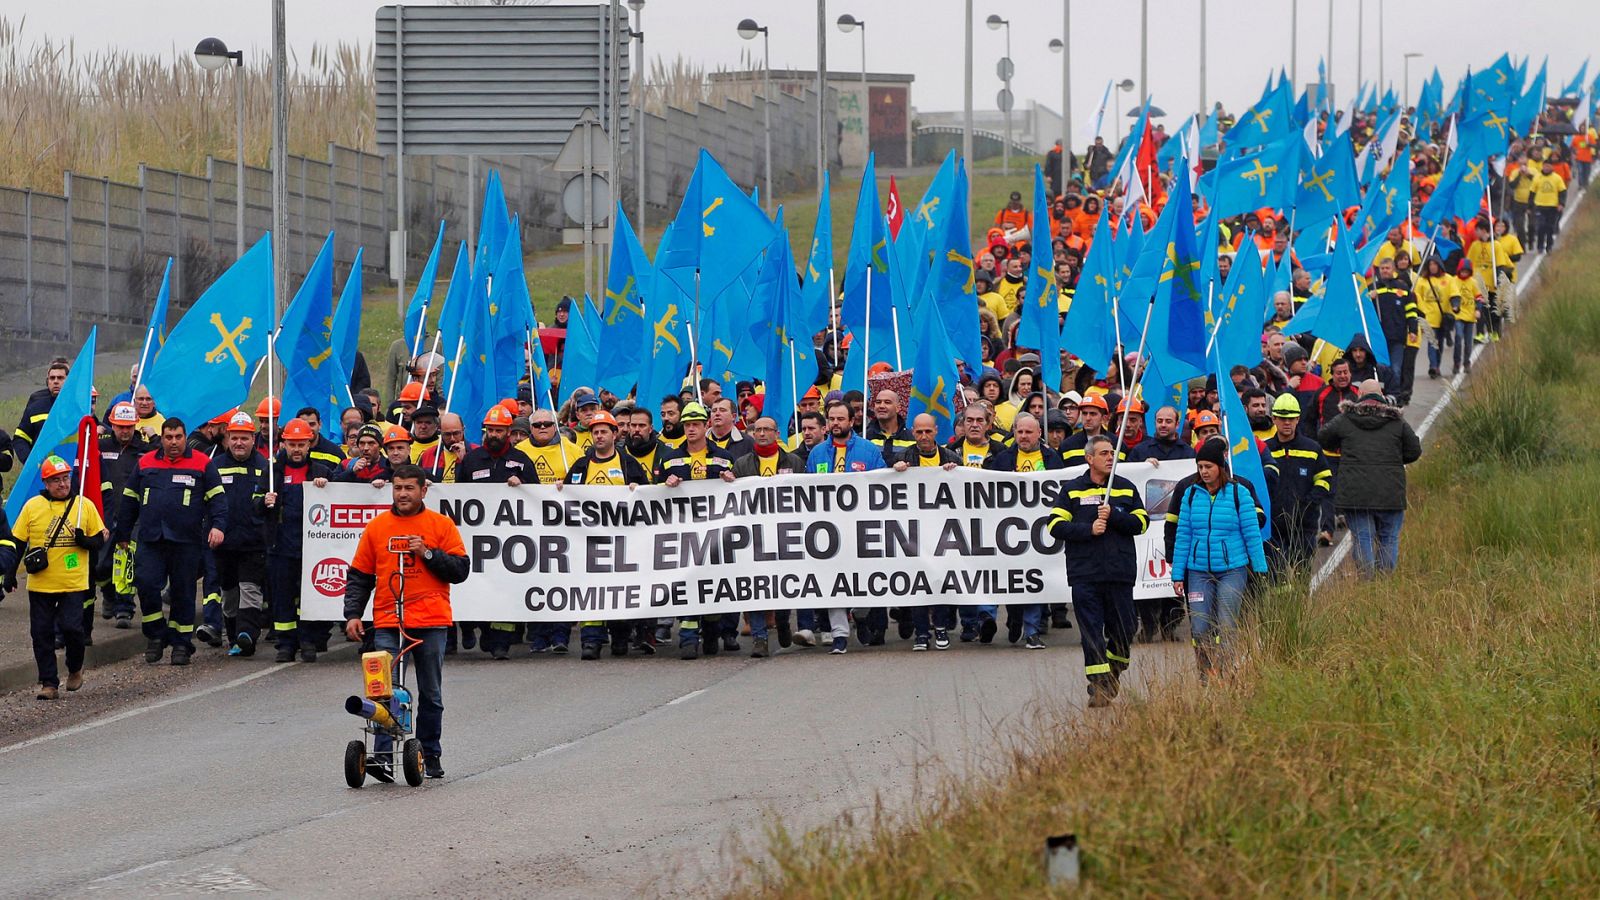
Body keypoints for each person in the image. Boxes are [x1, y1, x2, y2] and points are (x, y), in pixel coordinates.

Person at [343, 464, 469, 781]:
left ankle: (429, 754)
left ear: (423, 490)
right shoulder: (377, 527)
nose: (402, 494)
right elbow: (359, 576)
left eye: (409, 488)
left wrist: (427, 553)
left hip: (430, 621)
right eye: (398, 488)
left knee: (430, 693)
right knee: (384, 691)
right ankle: (382, 756)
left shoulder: (441, 525)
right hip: (387, 619)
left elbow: (460, 569)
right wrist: (353, 614)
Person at [1044, 435, 1149, 708]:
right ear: (1090, 458)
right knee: (1091, 631)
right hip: (1085, 573)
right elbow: (1055, 525)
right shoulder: (1073, 490)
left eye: (1112, 452)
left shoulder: (1125, 489)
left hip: (1119, 572)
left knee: (1126, 629)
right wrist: (1088, 529)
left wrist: (1114, 514)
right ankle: (1099, 685)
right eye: (1104, 453)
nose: (1110, 457)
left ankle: (1114, 670)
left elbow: (1142, 522)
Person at [114, 418, 227, 666]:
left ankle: (180, 644)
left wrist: (218, 527)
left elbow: (218, 501)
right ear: (162, 438)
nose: (173, 442)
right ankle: (155, 634)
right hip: (151, 539)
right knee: (145, 585)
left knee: (183, 593)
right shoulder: (145, 463)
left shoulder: (202, 463)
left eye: (178, 437)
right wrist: (122, 533)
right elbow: (130, 499)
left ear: (185, 437)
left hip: (186, 541)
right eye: (168, 437)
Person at [1169, 438, 1269, 679]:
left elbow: (1252, 534)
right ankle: (1206, 672)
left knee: (1226, 624)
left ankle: (1227, 670)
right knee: (1200, 627)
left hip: (1232, 570)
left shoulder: (1239, 493)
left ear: (1220, 466)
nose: (1203, 471)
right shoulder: (1190, 495)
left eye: (1208, 467)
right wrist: (1177, 574)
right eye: (1200, 466)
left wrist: (1260, 569)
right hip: (1198, 571)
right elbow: (1183, 535)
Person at [13, 455, 107, 699]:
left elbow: (99, 539)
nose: (63, 484)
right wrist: (9, 574)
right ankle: (49, 683)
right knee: (41, 634)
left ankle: (75, 668)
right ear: (46, 483)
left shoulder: (83, 505)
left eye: (65, 479)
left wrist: (84, 541)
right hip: (41, 584)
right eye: (56, 481)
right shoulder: (32, 506)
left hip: (73, 582)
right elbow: (18, 542)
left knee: (72, 629)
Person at [565, 410, 652, 660]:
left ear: (615, 434)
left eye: (604, 431)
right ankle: (591, 641)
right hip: (589, 543)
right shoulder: (581, 466)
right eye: (595, 432)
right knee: (591, 591)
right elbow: (567, 500)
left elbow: (648, 501)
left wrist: (638, 491)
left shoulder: (627, 464)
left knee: (620, 592)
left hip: (623, 543)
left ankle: (620, 636)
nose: (599, 436)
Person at [1317, 379, 1422, 578]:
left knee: (1363, 537)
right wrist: (1395, 459)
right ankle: (1385, 583)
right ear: (1382, 396)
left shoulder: (1346, 419)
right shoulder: (1396, 421)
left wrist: (1341, 448)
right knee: (1389, 539)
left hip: (1356, 493)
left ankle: (1367, 582)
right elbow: (1414, 450)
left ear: (1359, 395)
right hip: (1390, 492)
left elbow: (1323, 436)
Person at [657, 401, 738, 658]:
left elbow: (736, 494)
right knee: (688, 583)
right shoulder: (669, 460)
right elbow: (653, 494)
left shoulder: (724, 457)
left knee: (713, 584)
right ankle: (688, 638)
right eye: (687, 425)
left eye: (695, 424)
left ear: (706, 426)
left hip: (716, 535)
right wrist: (664, 484)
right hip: (684, 534)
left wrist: (731, 481)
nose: (690, 429)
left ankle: (713, 631)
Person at [805, 400, 886, 653]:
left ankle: (860, 614)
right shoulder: (817, 453)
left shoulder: (869, 450)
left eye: (841, 419)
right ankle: (840, 634)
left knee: (864, 580)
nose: (836, 423)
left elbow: (883, 485)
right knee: (833, 580)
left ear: (852, 421)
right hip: (827, 529)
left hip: (860, 527)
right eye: (832, 419)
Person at [982, 413, 1067, 649]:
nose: (1023, 436)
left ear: (1039, 433)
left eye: (1029, 432)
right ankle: (998, 618)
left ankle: (1031, 631)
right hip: (1007, 533)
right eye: (1019, 431)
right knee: (1004, 580)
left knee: (1033, 582)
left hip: (1038, 535)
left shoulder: (1052, 459)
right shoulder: (1003, 458)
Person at [456, 406, 533, 660]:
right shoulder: (471, 460)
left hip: (511, 541)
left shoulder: (522, 461)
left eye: (499, 430)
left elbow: (537, 497)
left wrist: (522, 486)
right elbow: (457, 497)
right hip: (477, 540)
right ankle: (476, 627)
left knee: (505, 587)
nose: (494, 434)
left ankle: (501, 641)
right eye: (490, 430)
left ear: (509, 432)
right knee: (477, 586)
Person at [729, 416, 806, 658]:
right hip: (753, 536)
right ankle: (759, 638)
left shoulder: (793, 461)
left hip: (784, 534)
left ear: (777, 433)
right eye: (757, 430)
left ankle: (782, 620)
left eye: (767, 430)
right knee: (756, 587)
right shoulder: (742, 464)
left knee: (782, 585)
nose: (761, 434)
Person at [264, 417, 338, 662]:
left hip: (311, 547)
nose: (296, 449)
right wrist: (264, 503)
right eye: (291, 444)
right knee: (283, 596)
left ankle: (309, 640)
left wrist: (327, 486)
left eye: (301, 444)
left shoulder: (320, 472)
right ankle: (286, 644)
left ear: (309, 445)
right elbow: (254, 505)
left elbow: (336, 501)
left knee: (310, 597)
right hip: (281, 545)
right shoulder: (272, 472)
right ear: (284, 444)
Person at [211, 412, 270, 656]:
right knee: (229, 594)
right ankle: (234, 634)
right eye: (234, 438)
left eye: (244, 438)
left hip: (253, 541)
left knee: (249, 589)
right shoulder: (214, 466)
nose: (239, 443)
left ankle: (248, 635)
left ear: (252, 439)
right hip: (224, 543)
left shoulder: (264, 467)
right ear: (227, 438)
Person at [1262, 393, 1332, 579]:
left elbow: (1324, 479)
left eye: (1291, 418)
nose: (1287, 423)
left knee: (1302, 576)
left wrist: (1308, 505)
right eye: (1283, 418)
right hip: (1273, 526)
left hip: (1304, 526)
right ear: (1274, 419)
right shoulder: (1264, 449)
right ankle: (1282, 609)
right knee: (1276, 577)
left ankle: (1299, 608)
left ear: (1298, 419)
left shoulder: (1312, 448)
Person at [95, 402, 150, 628]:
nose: (125, 431)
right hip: (106, 514)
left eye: (128, 427)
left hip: (134, 516)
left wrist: (154, 439)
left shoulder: (144, 449)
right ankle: (108, 594)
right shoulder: (101, 445)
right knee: (100, 566)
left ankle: (124, 608)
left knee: (127, 562)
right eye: (120, 427)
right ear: (112, 426)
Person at [13, 357, 68, 462]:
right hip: (43, 471)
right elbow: (20, 438)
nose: (56, 381)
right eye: (52, 378)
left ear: (69, 381)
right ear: (47, 381)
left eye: (60, 378)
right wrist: (30, 462)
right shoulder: (35, 408)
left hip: (72, 469)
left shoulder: (78, 407)